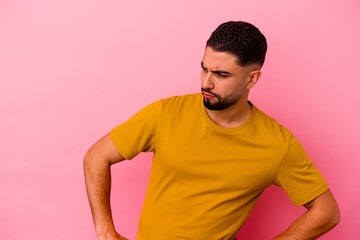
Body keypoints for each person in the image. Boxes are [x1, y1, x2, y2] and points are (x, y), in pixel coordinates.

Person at [84, 21, 340, 240]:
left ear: (251, 79)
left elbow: (327, 211)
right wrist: (106, 232)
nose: (206, 82)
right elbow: (96, 157)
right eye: (204, 68)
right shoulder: (165, 114)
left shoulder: (277, 144)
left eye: (221, 74)